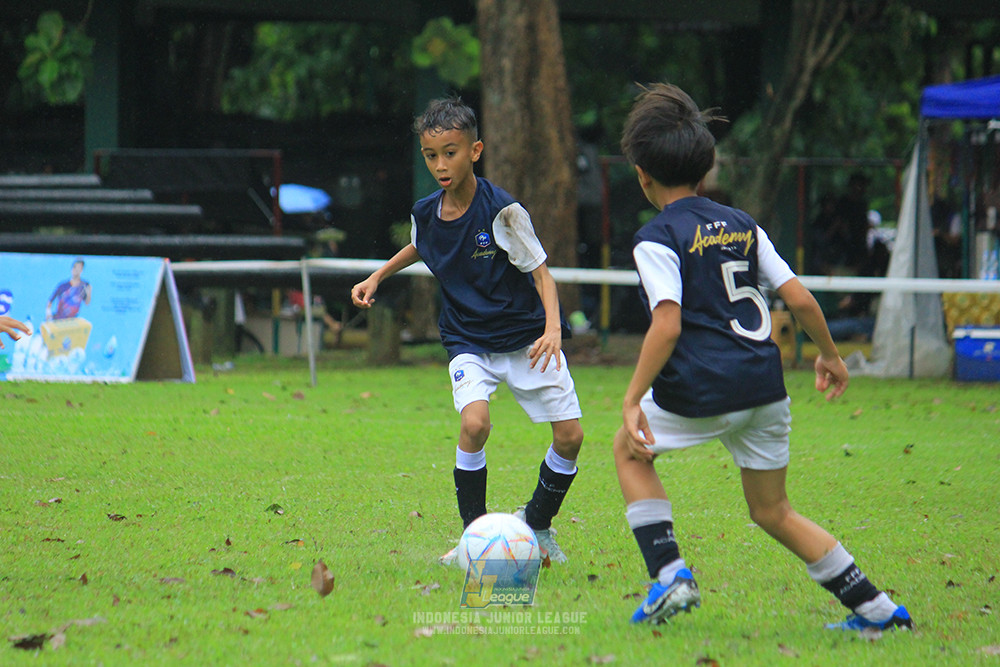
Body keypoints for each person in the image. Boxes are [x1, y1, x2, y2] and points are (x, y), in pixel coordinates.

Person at [613, 83, 912, 631]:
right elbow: (797, 297)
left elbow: (667, 321)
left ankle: (671, 575)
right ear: (704, 172)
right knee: (773, 511)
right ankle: (879, 611)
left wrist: (632, 398)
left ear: (642, 175)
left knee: (629, 453)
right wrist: (830, 356)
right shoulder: (742, 224)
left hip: (702, 387)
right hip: (764, 388)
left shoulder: (655, 238)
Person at [351, 97, 584, 564]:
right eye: (432, 155)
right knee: (474, 424)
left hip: (525, 339)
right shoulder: (425, 211)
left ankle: (536, 524)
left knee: (571, 437)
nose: (441, 164)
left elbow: (542, 275)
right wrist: (377, 276)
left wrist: (554, 329)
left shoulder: (503, 212)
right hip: (467, 340)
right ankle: (473, 540)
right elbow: (420, 245)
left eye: (451, 152)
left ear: (475, 150)